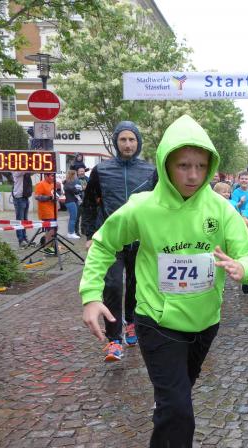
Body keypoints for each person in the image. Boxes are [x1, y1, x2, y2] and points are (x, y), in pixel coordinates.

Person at [80, 115, 248, 448]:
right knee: (179, 410)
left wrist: (243, 269)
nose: (193, 175)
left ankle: (167, 405)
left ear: (211, 166)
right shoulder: (143, 207)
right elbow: (103, 243)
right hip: (156, 321)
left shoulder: (220, 209)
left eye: (200, 166)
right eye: (183, 165)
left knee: (175, 399)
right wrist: (90, 295)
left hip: (205, 322)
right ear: (165, 164)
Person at [81, 121, 156, 362]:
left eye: (132, 140)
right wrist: (90, 235)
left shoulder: (150, 171)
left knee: (136, 284)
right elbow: (90, 203)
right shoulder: (101, 171)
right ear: (116, 142)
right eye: (123, 139)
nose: (127, 144)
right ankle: (114, 339)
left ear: (138, 142)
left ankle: (131, 321)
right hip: (111, 240)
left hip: (140, 239)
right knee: (112, 286)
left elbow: (160, 205)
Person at [34, 173, 59, 255]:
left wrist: (57, 197)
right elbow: (37, 197)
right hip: (45, 211)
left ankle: (51, 246)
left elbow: (54, 195)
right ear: (46, 176)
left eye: (54, 176)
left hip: (53, 210)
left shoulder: (53, 184)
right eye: (52, 176)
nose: (53, 177)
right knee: (51, 229)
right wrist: (49, 198)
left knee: (54, 229)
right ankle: (47, 248)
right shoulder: (41, 184)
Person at [12, 172, 34, 246]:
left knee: (25, 220)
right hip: (19, 198)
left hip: (25, 197)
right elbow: (24, 171)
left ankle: (24, 238)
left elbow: (33, 171)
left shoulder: (25, 172)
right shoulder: (16, 171)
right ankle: (21, 240)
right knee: (19, 220)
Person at [63, 169, 82, 239]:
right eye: (76, 174)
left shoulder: (67, 182)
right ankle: (71, 233)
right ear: (73, 175)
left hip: (71, 201)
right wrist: (79, 188)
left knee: (72, 218)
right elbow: (75, 191)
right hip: (71, 202)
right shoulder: (69, 183)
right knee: (73, 218)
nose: (76, 176)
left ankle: (71, 232)